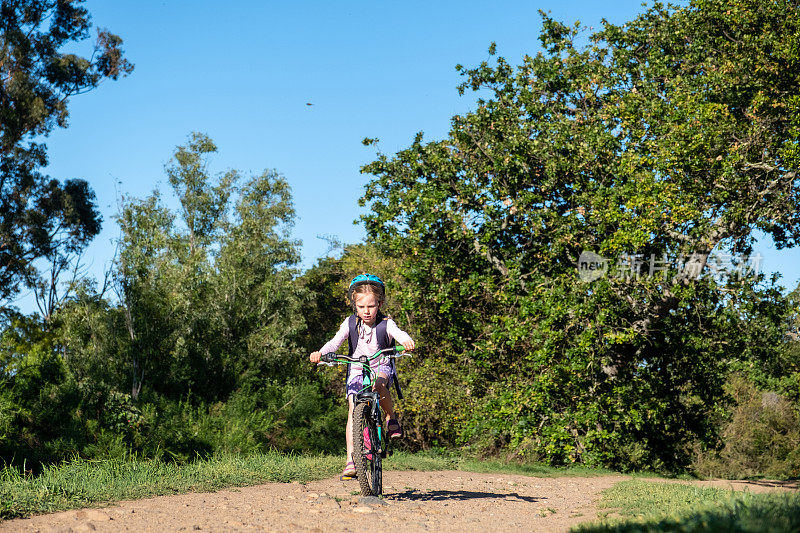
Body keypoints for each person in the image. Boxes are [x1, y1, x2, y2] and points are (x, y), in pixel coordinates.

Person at [310, 273, 415, 480]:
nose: (366, 311)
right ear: (354, 306)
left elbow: (400, 334)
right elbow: (335, 342)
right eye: (361, 307)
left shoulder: (386, 323)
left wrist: (407, 342)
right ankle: (351, 459)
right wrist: (321, 353)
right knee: (352, 409)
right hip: (357, 368)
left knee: (378, 386)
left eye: (371, 306)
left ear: (380, 304)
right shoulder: (349, 324)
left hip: (381, 363)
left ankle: (390, 417)